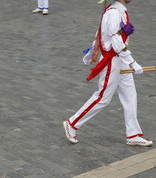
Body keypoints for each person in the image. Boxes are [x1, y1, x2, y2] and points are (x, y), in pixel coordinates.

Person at [63, 0, 153, 147]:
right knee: (103, 98)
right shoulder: (113, 13)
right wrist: (132, 62)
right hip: (113, 61)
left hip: (119, 59)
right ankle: (72, 123)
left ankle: (133, 134)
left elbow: (101, 33)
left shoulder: (117, 10)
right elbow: (116, 41)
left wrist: (95, 49)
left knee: (130, 95)